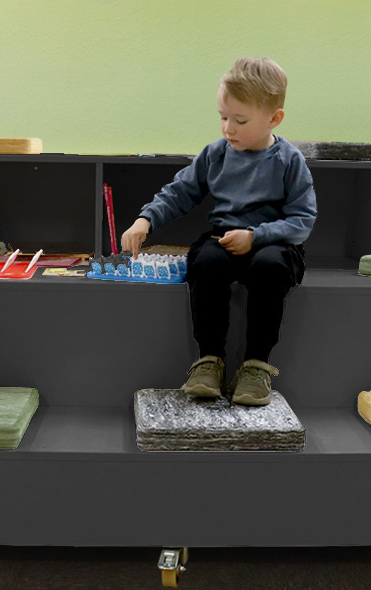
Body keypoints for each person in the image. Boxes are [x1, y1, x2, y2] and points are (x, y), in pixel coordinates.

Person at [121, 57, 316, 405]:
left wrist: (256, 237)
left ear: (274, 119)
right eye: (223, 117)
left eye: (240, 120)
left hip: (274, 244)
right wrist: (145, 219)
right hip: (224, 239)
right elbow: (179, 192)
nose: (228, 128)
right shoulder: (215, 154)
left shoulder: (288, 160)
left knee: (270, 267)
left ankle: (256, 366)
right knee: (206, 261)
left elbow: (302, 220)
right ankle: (209, 361)